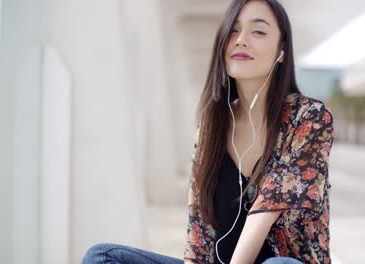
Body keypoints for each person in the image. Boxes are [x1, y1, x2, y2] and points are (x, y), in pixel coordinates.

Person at [82, 0, 334, 263]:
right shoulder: (211, 126)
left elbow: (266, 208)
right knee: (103, 257)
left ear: (282, 49)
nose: (241, 40)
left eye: (258, 31)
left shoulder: (310, 118)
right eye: (233, 31)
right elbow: (198, 234)